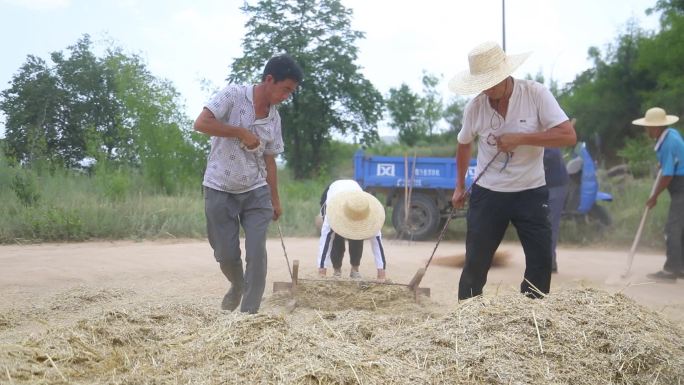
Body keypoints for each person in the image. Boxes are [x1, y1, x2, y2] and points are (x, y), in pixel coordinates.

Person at [448, 41, 576, 300]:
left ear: (505, 74)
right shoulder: (475, 107)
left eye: (492, 81)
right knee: (476, 260)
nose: (487, 89)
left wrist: (520, 138)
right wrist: (460, 186)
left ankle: (533, 315)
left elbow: (567, 135)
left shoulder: (536, 94)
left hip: (530, 190)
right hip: (488, 193)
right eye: (482, 84)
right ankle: (467, 316)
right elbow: (463, 145)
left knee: (540, 259)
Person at [193, 54, 303, 313]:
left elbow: (270, 160)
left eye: (291, 92)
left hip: (256, 192)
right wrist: (240, 132)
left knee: (257, 252)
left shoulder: (274, 119)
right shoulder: (232, 95)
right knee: (226, 254)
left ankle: (248, 316)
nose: (287, 96)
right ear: (269, 80)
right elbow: (201, 123)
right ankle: (237, 284)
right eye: (285, 89)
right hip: (219, 187)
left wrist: (275, 200)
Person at [632, 107, 684, 282]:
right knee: (680, 228)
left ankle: (671, 270)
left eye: (647, 127)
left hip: (681, 185)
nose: (646, 130)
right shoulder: (671, 134)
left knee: (673, 228)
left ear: (655, 128)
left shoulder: (668, 142)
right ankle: (680, 266)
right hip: (679, 183)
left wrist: (654, 196)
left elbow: (668, 174)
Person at [317, 179, 387, 280]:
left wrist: (381, 274)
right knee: (336, 238)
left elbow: (377, 244)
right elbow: (325, 242)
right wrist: (321, 272)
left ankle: (355, 270)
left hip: (355, 192)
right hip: (333, 193)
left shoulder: (371, 217)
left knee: (358, 236)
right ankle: (337, 270)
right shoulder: (331, 215)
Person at [543, 147, 569, 273]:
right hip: (538, 185)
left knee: (550, 224)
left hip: (555, 185)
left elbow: (552, 154)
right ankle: (542, 261)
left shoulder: (549, 132)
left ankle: (549, 262)